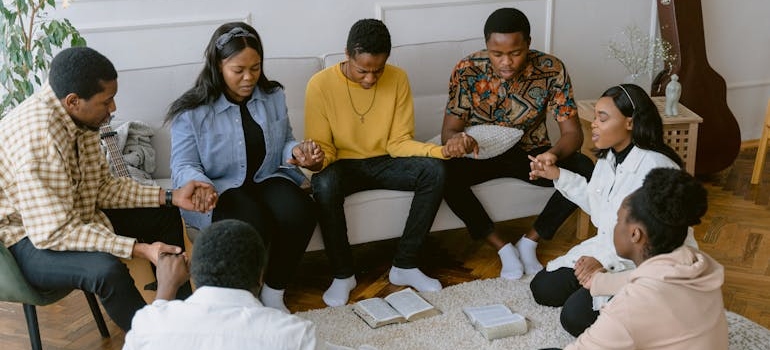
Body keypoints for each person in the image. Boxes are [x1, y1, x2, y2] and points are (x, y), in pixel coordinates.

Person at [0, 46, 216, 331]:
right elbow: (54, 232)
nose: (113, 108)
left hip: (68, 217)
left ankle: (182, 319)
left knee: (163, 212)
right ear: (73, 101)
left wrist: (170, 195)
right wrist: (139, 249)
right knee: (106, 270)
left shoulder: (81, 119)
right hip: (24, 239)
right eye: (107, 101)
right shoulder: (40, 143)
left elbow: (101, 188)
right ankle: (152, 340)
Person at [305, 19, 464, 307]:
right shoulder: (320, 85)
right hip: (341, 164)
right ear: (347, 55)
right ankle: (343, 275)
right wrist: (315, 163)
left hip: (387, 159)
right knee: (324, 183)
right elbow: (324, 149)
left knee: (435, 171)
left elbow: (399, 141)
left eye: (377, 70)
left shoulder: (399, 78)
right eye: (362, 70)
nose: (370, 78)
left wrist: (441, 152)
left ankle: (405, 265)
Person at [167, 22, 322, 313]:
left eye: (256, 67)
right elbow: (183, 164)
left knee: (300, 212)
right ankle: (245, 300)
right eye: (238, 70)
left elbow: (285, 140)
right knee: (248, 221)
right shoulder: (191, 111)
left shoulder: (273, 95)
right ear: (218, 65)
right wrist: (199, 183)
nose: (249, 78)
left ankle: (274, 292)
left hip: (267, 176)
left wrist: (298, 151)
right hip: (222, 186)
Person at [441, 7, 594, 280]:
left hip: (531, 156)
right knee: (442, 173)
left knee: (583, 166)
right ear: (487, 46)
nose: (506, 62)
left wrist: (552, 155)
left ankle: (530, 242)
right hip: (483, 153)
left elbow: (573, 133)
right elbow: (449, 131)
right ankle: (502, 249)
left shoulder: (551, 70)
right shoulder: (467, 70)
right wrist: (458, 142)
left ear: (528, 45)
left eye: (515, 53)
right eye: (497, 54)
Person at [528, 84, 686, 336]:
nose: (594, 124)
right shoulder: (608, 158)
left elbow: (654, 244)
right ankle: (593, 287)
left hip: (647, 264)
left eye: (603, 118)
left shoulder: (658, 169)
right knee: (543, 288)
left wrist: (603, 264)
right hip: (608, 247)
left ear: (630, 123)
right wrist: (556, 174)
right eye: (595, 117)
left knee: (574, 317)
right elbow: (597, 205)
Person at [550, 168, 728, 349]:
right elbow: (651, 277)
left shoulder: (629, 307)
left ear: (635, 234)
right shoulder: (698, 262)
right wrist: (600, 281)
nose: (614, 227)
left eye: (617, 221)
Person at [123, 219, 319, 349]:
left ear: (193, 273)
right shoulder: (296, 335)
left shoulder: (147, 326)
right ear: (260, 276)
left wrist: (165, 290)